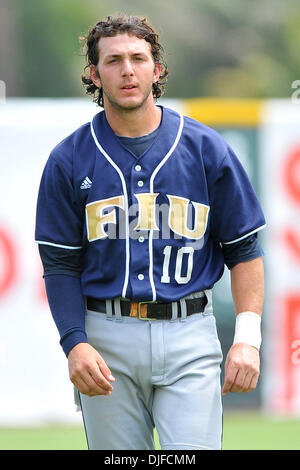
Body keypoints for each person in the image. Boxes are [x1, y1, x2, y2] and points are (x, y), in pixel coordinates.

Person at [35, 14, 266, 450]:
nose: (127, 70)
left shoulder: (205, 148)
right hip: (106, 335)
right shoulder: (68, 159)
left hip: (190, 333)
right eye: (114, 60)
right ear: (94, 73)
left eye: (139, 58)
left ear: (156, 70)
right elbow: (60, 265)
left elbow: (245, 250)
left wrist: (248, 341)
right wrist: (75, 344)